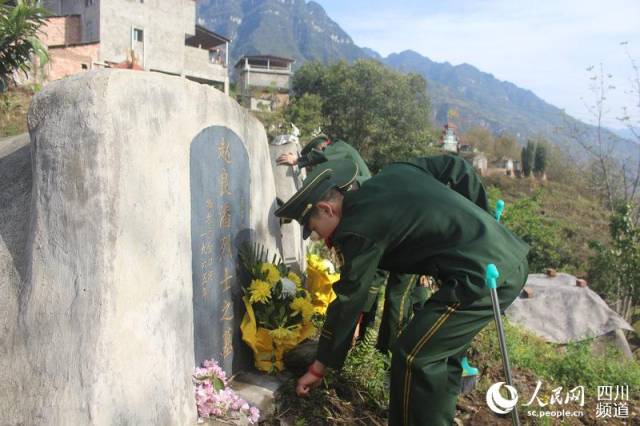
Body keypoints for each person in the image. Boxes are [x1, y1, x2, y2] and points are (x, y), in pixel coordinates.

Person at [275, 156, 529, 426]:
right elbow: (455, 166)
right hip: (500, 260)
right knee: (441, 354)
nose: (321, 240)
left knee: (414, 355)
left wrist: (319, 365)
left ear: (327, 209)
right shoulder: (396, 170)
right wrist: (483, 223)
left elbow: (350, 299)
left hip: (483, 276)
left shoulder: (357, 228)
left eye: (314, 232)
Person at [276, 134, 371, 184]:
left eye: (315, 151)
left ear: (323, 145)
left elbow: (323, 156)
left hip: (362, 183)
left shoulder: (340, 146)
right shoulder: (335, 156)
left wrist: (297, 160)